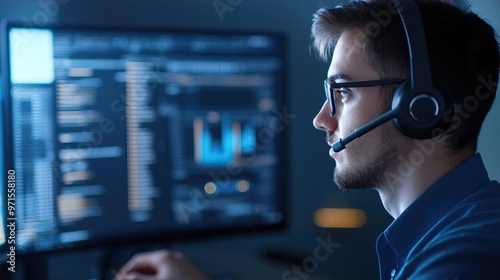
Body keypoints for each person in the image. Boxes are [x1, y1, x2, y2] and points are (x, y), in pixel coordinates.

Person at [116, 0, 500, 279]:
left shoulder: (464, 258)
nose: (322, 119)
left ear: (419, 108)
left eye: (344, 93)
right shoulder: (453, 229)